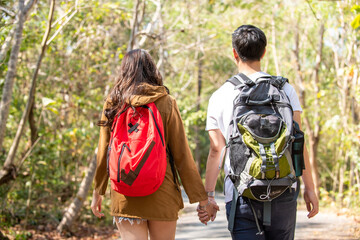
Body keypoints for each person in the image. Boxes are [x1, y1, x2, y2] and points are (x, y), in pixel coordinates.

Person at [199, 25, 319, 239]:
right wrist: (310, 188)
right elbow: (297, 142)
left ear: (234, 53)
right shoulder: (285, 90)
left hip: (240, 193)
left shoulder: (220, 95)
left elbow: (216, 151)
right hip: (284, 188)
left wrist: (208, 196)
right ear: (263, 52)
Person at [90, 49, 218, 240]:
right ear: (152, 70)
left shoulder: (113, 103)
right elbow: (182, 154)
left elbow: (104, 151)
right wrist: (203, 200)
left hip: (125, 193)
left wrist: (97, 191)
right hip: (162, 192)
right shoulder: (166, 102)